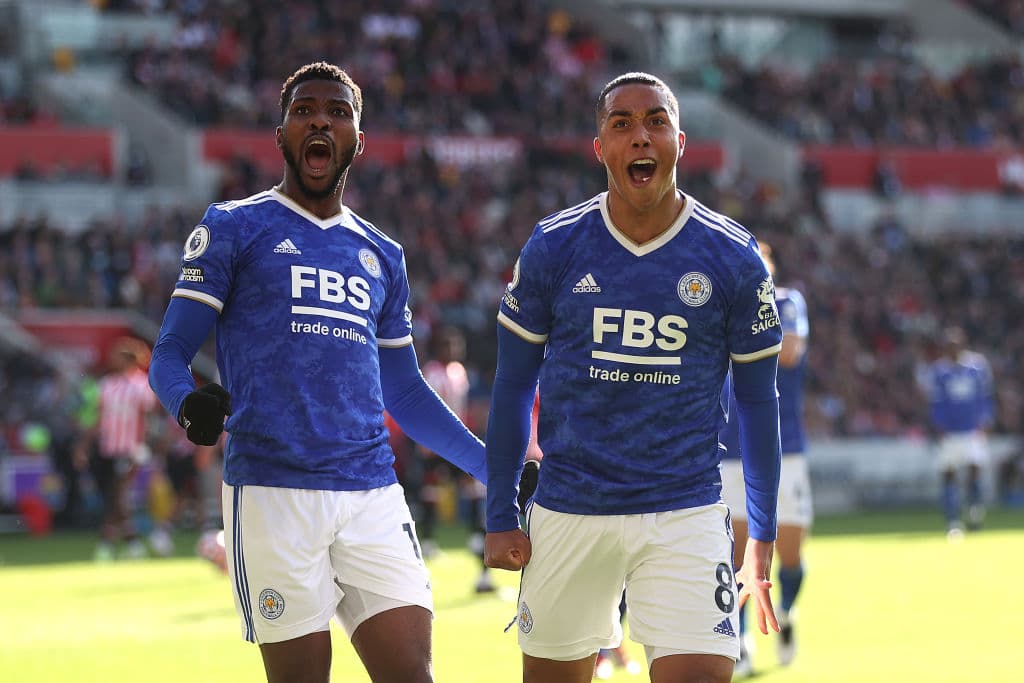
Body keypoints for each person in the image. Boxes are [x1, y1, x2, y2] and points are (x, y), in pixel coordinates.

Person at [148, 62, 493, 683]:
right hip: (273, 491)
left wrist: (489, 467)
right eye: (304, 110)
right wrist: (187, 404)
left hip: (372, 493)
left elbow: (406, 391)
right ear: (281, 133)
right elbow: (169, 352)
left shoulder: (384, 255)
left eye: (338, 112)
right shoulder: (233, 227)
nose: (320, 121)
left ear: (357, 140)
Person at [483, 72, 784, 683]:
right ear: (600, 147)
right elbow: (513, 386)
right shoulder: (553, 246)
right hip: (569, 508)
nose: (640, 136)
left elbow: (758, 403)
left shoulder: (734, 258)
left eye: (655, 122)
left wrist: (765, 529)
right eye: (621, 123)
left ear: (680, 141)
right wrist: (498, 513)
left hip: (685, 510)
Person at [719, 243, 811, 675]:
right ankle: (739, 641)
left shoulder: (787, 302)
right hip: (729, 448)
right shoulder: (714, 305)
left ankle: (787, 613)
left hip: (784, 448)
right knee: (736, 556)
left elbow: (790, 351)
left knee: (789, 555)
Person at [76, 336, 158, 561]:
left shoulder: (142, 384)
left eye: (117, 355)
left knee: (118, 494)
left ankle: (113, 545)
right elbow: (99, 418)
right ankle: (124, 542)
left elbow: (148, 419)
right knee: (113, 496)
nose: (112, 359)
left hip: (129, 449)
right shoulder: (107, 385)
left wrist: (142, 447)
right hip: (107, 449)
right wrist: (83, 445)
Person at [918, 326, 994, 540]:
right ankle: (953, 521)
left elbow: (986, 397)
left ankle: (974, 511)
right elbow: (935, 403)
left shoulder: (977, 367)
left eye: (956, 344)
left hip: (972, 431)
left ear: (963, 344)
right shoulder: (939, 371)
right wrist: (938, 425)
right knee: (949, 477)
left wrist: (986, 420)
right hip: (949, 434)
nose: (952, 348)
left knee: (974, 472)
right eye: (948, 345)